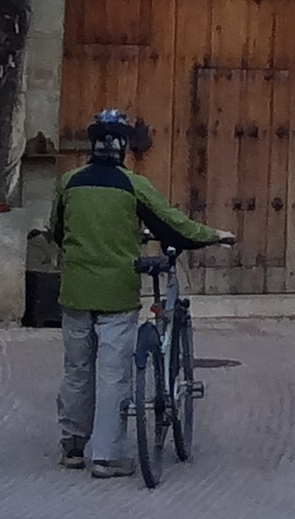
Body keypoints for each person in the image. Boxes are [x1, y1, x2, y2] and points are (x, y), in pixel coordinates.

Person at [54, 109, 218, 474]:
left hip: (75, 291)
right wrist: (212, 235)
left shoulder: (68, 182)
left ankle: (73, 446)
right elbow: (173, 224)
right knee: (113, 373)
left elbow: (56, 231)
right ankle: (107, 456)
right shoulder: (133, 185)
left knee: (77, 370)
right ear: (123, 146)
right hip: (116, 293)